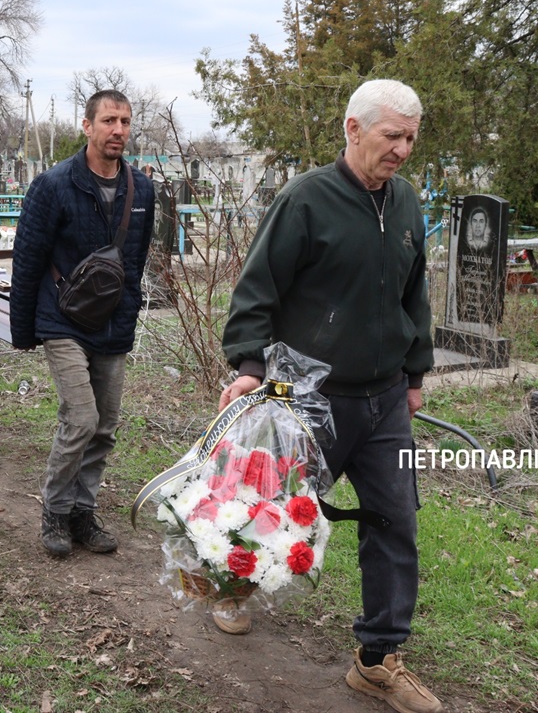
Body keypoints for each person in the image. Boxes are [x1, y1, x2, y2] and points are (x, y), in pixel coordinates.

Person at [218, 79, 440, 713]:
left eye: (410, 138)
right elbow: (257, 287)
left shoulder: (405, 204)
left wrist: (416, 375)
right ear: (353, 129)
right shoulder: (305, 200)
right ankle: (233, 589)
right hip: (308, 394)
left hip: (386, 398)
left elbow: (413, 294)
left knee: (395, 522)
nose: (401, 149)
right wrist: (249, 364)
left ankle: (376, 659)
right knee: (278, 509)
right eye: (391, 135)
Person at [9, 90, 156, 558]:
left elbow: (136, 259)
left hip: (113, 324)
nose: (118, 130)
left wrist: (129, 313)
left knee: (106, 424)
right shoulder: (54, 185)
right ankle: (54, 510)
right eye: (109, 120)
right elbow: (28, 258)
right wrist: (24, 328)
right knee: (82, 418)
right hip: (63, 319)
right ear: (87, 126)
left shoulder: (143, 190)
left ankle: (81, 511)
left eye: (125, 122)